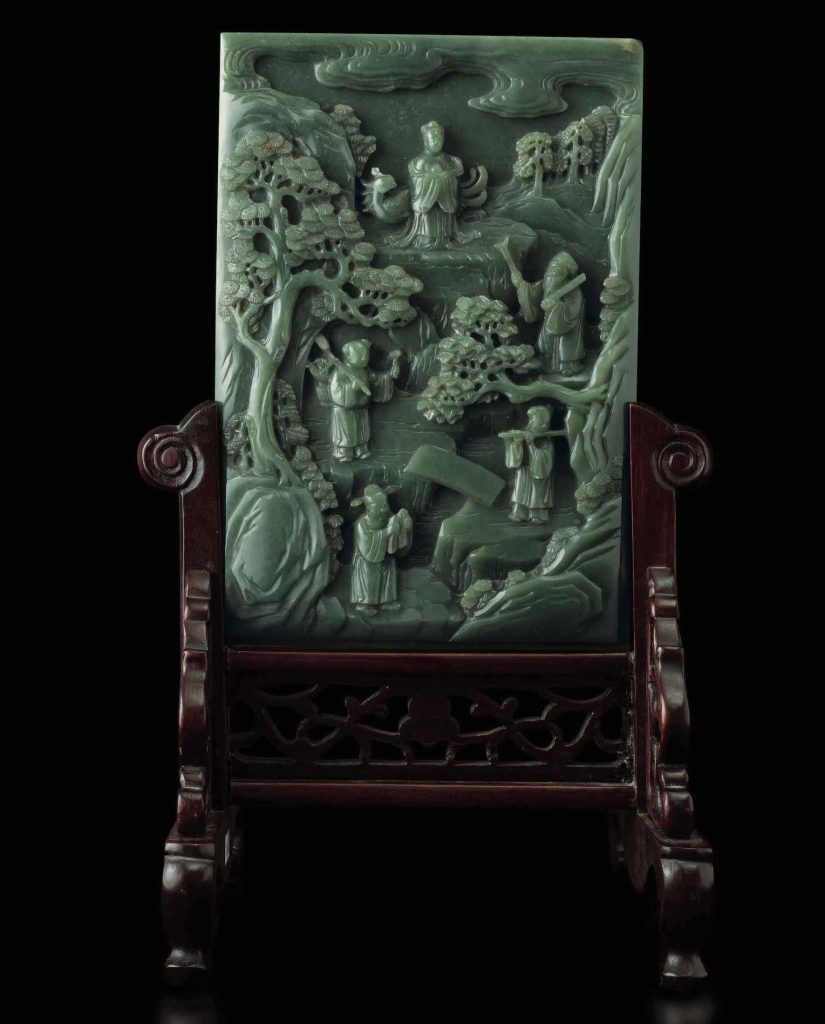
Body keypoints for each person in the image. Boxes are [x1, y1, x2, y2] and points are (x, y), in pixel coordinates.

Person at [391, 121, 478, 249]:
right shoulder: (419, 162)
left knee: (446, 225)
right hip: (427, 205)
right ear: (425, 140)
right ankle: (426, 238)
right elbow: (417, 183)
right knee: (428, 233)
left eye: (440, 138)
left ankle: (446, 237)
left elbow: (456, 174)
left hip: (445, 202)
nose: (437, 142)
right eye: (433, 138)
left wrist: (447, 177)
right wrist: (434, 179)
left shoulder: (449, 160)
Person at [509, 250, 586, 376]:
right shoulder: (547, 283)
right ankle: (547, 361)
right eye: (549, 269)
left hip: (566, 325)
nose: (550, 273)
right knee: (545, 348)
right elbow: (532, 293)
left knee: (565, 341)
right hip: (547, 325)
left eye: (555, 270)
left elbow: (573, 309)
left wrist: (556, 306)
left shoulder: (573, 291)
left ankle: (568, 365)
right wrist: (520, 284)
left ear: (564, 274)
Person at [323, 340, 400, 462]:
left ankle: (361, 450)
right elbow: (335, 390)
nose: (364, 358)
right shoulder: (340, 371)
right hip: (345, 411)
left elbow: (377, 380)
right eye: (360, 355)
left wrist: (389, 375)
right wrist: (351, 388)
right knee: (347, 433)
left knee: (361, 433)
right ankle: (343, 452)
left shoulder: (365, 371)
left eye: (366, 355)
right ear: (348, 356)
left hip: (361, 409)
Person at [350, 485, 413, 615]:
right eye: (379, 506)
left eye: (385, 504)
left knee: (389, 568)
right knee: (369, 574)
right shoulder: (362, 523)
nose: (384, 508)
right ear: (368, 507)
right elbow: (367, 543)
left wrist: (404, 527)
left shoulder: (389, 517)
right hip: (367, 559)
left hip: (386, 557)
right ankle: (364, 603)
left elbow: (398, 544)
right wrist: (387, 532)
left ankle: (387, 601)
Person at [499, 406, 566, 523]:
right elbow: (515, 453)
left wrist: (531, 445)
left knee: (537, 492)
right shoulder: (524, 434)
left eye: (535, 420)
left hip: (538, 470)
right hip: (524, 470)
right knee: (520, 490)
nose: (532, 422)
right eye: (531, 420)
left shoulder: (546, 441)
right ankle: (520, 513)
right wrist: (517, 442)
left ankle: (537, 515)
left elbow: (545, 456)